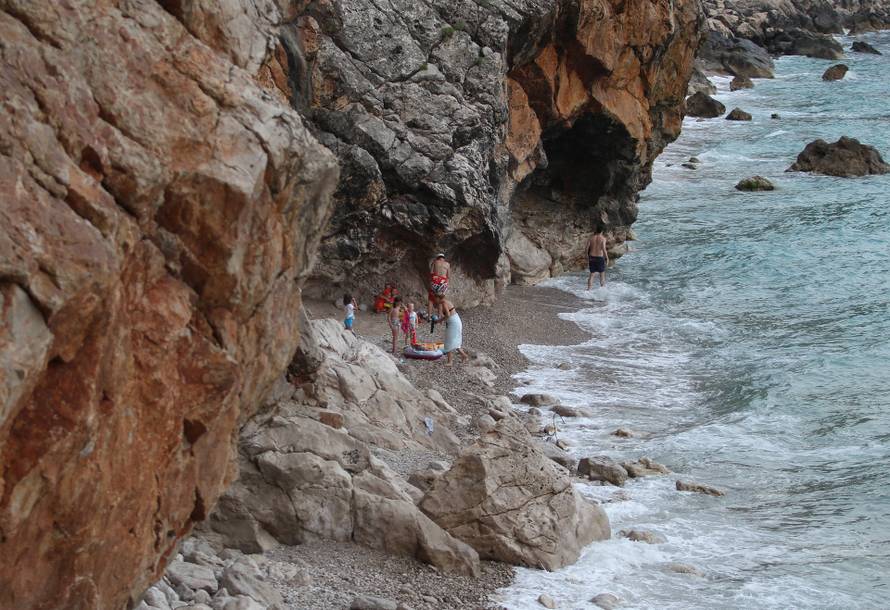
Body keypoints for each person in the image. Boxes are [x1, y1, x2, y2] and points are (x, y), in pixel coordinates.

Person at [435, 295, 468, 366]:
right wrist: (439, 319)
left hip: (453, 323)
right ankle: (464, 356)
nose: (435, 300)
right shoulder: (445, 302)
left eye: (436, 298)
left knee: (448, 341)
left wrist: (440, 320)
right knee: (455, 341)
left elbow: (448, 314)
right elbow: (441, 312)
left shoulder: (444, 303)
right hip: (455, 321)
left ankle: (450, 362)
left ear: (438, 298)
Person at [428, 253, 450, 331]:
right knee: (441, 299)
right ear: (443, 258)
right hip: (443, 281)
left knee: (431, 299)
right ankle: (440, 316)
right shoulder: (447, 264)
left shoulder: (435, 262)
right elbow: (448, 276)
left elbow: (431, 272)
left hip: (435, 279)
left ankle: (429, 317)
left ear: (438, 258)